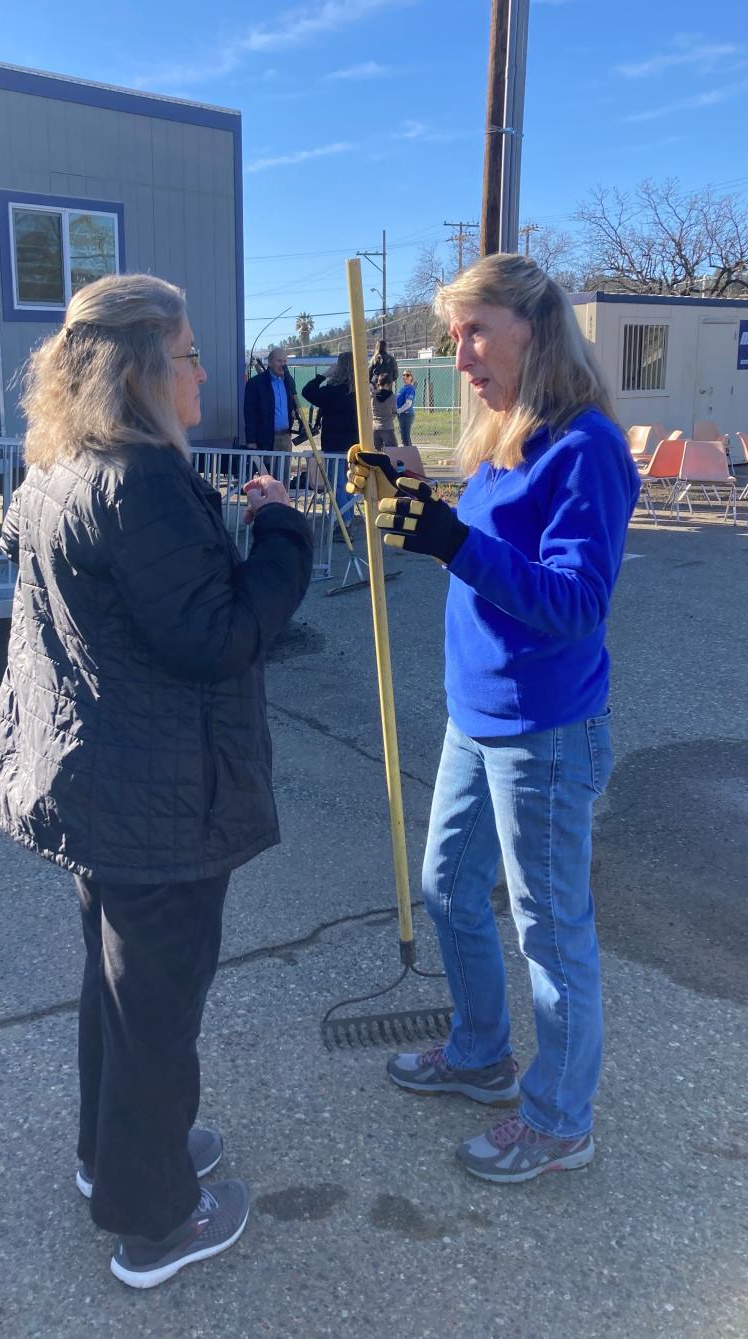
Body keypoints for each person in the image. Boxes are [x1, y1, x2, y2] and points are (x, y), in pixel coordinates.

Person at [0, 274, 313, 1287]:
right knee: (156, 1007)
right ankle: (156, 1219)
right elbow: (216, 635)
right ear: (139, 370)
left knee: (123, 993)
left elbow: (124, 594)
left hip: (99, 783)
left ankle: (116, 1157)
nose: (202, 373)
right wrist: (284, 534)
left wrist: (212, 519)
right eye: (187, 355)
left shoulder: (62, 467)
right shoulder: (137, 481)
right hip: (156, 800)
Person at [348, 252, 639, 1184]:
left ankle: (558, 1119)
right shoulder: (508, 431)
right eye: (455, 333)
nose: (458, 352)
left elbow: (574, 600)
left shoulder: (583, 445)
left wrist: (454, 542)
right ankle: (479, 1053)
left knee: (551, 930)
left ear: (532, 327)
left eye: (475, 331)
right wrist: (415, 491)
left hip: (545, 727)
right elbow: (477, 542)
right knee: (446, 887)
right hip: (477, 717)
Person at [302, 351, 360, 531]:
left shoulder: (332, 392)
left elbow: (307, 392)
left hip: (334, 443)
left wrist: (323, 375)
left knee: (337, 484)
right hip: (354, 444)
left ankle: (344, 521)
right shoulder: (358, 392)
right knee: (349, 482)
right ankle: (348, 517)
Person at [243, 346, 297, 480]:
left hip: (285, 437)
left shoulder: (288, 382)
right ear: (270, 362)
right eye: (279, 361)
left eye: (285, 361)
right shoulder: (257, 383)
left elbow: (293, 404)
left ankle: (281, 500)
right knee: (268, 479)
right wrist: (251, 440)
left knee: (283, 478)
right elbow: (250, 413)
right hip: (266, 438)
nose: (282, 365)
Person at [370, 372, 398, 451]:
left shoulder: (372, 396)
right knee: (393, 451)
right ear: (387, 384)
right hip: (387, 427)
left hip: (375, 427)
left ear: (378, 383)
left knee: (376, 452)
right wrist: (389, 419)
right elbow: (394, 412)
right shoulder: (392, 396)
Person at [396, 369, 417, 449]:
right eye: (403, 375)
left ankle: (410, 456)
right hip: (402, 415)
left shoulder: (409, 388)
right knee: (404, 437)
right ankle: (408, 454)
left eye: (407, 375)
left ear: (411, 377)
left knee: (406, 438)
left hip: (406, 415)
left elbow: (408, 404)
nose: (405, 377)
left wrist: (398, 411)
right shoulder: (403, 388)